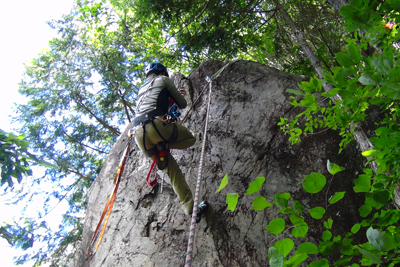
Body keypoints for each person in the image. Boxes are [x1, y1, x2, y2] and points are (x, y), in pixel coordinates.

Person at [133, 63, 207, 219]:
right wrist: (174, 96)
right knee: (190, 138)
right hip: (158, 126)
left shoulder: (140, 92)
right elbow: (183, 104)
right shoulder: (163, 80)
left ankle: (190, 208)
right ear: (162, 73)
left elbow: (151, 105)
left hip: (140, 137)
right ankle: (165, 144)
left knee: (172, 173)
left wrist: (167, 100)